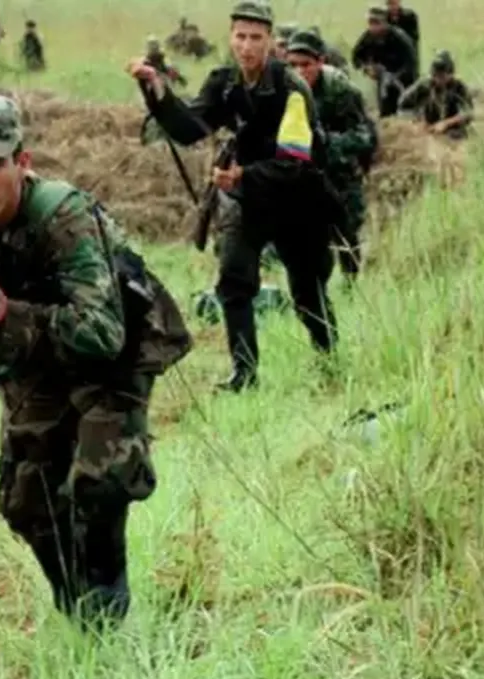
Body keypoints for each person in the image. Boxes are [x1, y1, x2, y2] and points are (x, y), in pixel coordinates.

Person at [0, 94, 192, 624]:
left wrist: (11, 317)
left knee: (101, 480)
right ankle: (76, 607)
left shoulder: (64, 217)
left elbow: (102, 333)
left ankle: (107, 610)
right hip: (36, 356)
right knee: (25, 500)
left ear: (23, 161)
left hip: (114, 354)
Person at [128, 0, 343, 392]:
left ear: (271, 42)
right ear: (230, 39)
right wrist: (158, 91)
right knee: (234, 284)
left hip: (297, 198)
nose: (247, 46)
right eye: (240, 37)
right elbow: (191, 128)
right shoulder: (223, 82)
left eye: (256, 38)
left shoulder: (291, 89)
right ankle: (244, 374)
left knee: (307, 292)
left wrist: (243, 174)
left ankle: (331, 361)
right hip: (247, 198)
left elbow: (296, 163)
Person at [284, 31, 378, 282]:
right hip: (300, 175)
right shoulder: (281, 89)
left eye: (306, 64)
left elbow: (365, 136)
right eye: (293, 65)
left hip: (339, 174)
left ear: (321, 61)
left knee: (346, 235)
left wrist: (328, 145)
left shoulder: (341, 91)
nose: (299, 71)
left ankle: (351, 286)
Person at [351, 6, 418, 117]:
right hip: (384, 78)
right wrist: (366, 68)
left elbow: (411, 62)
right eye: (371, 23)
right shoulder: (368, 37)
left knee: (405, 112)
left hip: (403, 79)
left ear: (385, 23)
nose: (373, 27)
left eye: (376, 23)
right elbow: (356, 56)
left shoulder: (399, 37)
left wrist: (396, 77)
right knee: (385, 113)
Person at [399, 51, 474, 139]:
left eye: (442, 76)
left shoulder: (459, 87)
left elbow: (468, 112)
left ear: (451, 74)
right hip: (426, 128)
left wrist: (446, 123)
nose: (438, 80)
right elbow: (403, 105)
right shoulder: (424, 85)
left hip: (452, 130)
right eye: (435, 75)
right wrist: (418, 120)